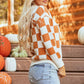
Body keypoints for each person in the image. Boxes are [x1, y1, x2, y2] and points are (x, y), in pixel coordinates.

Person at [18, 0, 66, 84]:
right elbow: (48, 42)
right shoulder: (41, 10)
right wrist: (60, 65)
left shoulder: (32, 11)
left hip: (35, 70)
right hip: (46, 70)